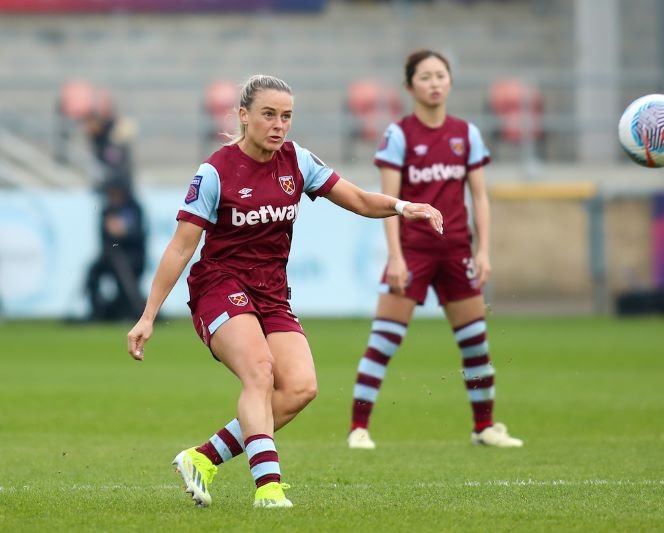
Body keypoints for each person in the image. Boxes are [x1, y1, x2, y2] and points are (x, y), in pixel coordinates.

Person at [125, 74, 443, 509]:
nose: (279, 125)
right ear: (244, 116)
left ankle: (202, 458)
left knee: (300, 388)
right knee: (260, 370)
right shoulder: (216, 171)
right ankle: (268, 488)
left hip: (271, 292)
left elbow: (359, 199)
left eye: (286, 116)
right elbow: (182, 246)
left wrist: (404, 207)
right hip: (219, 285)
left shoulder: (298, 161)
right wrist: (148, 315)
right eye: (269, 115)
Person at [346, 50, 523, 450]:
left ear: (450, 82)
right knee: (385, 340)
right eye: (425, 77)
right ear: (409, 86)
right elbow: (388, 201)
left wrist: (484, 251)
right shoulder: (399, 135)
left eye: (440, 75)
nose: (434, 83)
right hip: (413, 251)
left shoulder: (467, 134)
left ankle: (484, 427)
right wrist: (394, 255)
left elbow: (480, 197)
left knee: (475, 341)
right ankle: (359, 428)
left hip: (456, 249)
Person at [85, 178, 147, 321]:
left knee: (125, 280)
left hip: (133, 256)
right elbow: (103, 238)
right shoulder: (107, 210)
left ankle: (135, 311)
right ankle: (97, 311)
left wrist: (123, 232)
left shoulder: (134, 207)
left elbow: (139, 235)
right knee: (92, 274)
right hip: (111, 255)